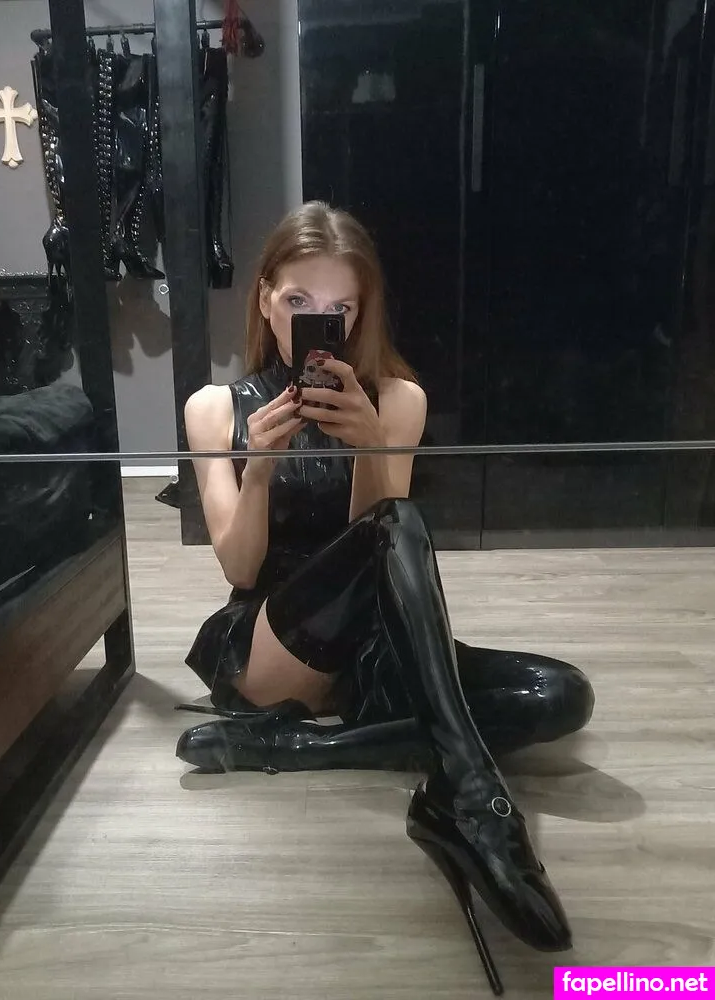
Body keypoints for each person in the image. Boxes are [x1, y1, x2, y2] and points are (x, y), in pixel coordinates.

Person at [176, 202, 595, 993]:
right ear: (264, 297)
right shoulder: (214, 409)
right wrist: (258, 469)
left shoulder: (399, 402)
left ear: (361, 314)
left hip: (372, 641)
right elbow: (240, 566)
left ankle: (301, 749)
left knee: (560, 694)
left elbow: (379, 549)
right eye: (298, 301)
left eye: (339, 308)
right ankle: (477, 802)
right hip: (272, 644)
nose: (318, 321)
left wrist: (370, 442)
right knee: (396, 523)